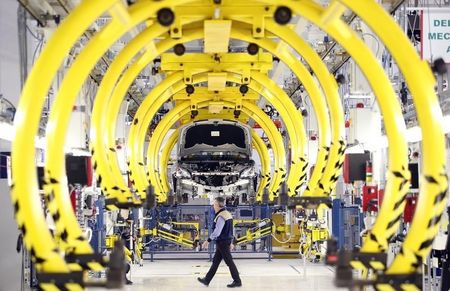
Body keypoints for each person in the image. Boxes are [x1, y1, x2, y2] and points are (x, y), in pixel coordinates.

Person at [197, 197, 242, 288]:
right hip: (225, 241)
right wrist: (231, 241)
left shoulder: (221, 216)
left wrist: (208, 240)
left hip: (222, 242)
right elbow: (231, 230)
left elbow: (217, 231)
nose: (213, 206)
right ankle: (207, 279)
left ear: (217, 205)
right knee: (216, 261)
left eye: (214, 204)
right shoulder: (227, 214)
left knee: (229, 262)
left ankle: (237, 281)